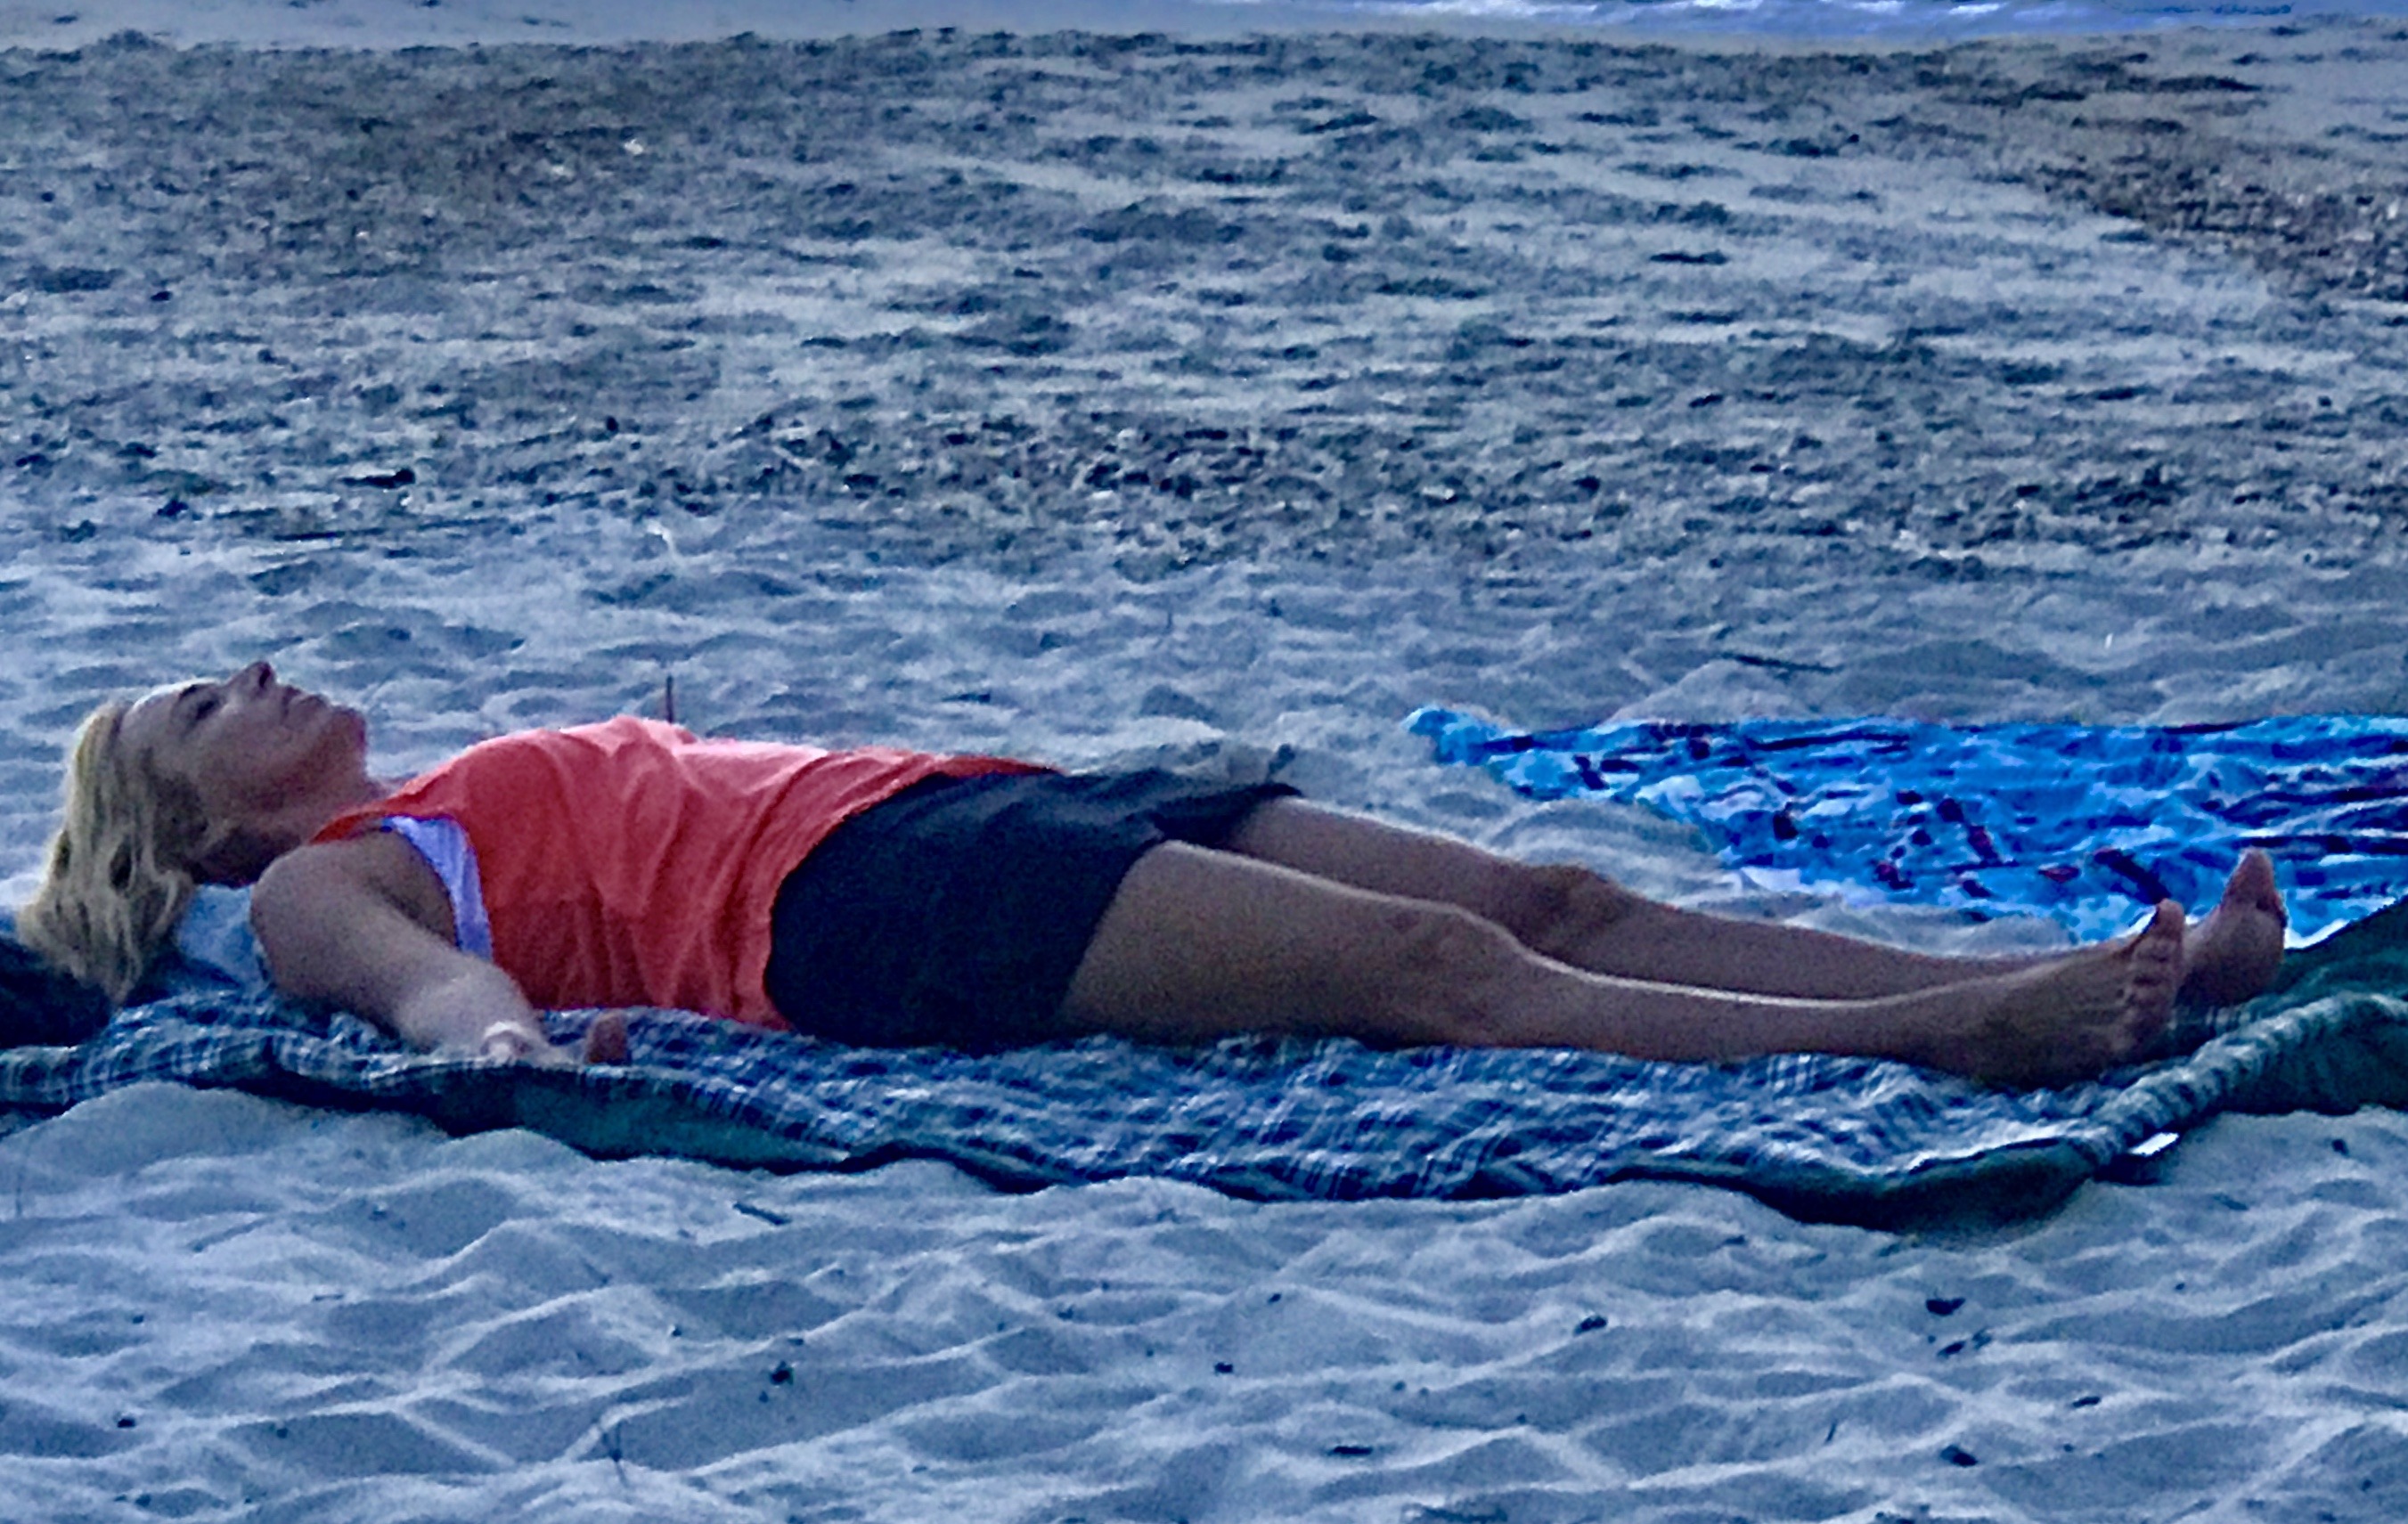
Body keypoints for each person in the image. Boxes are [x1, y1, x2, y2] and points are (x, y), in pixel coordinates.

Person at [19, 661, 2289, 1089]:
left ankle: (2058, 967)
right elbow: (429, 1006)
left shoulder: (428, 783)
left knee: (1547, 895)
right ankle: (1959, 1029)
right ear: (196, 825)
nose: (261, 669)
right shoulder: (317, 884)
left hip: (974, 799)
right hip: (863, 923)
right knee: (1426, 965)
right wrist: (507, 1037)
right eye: (209, 700)